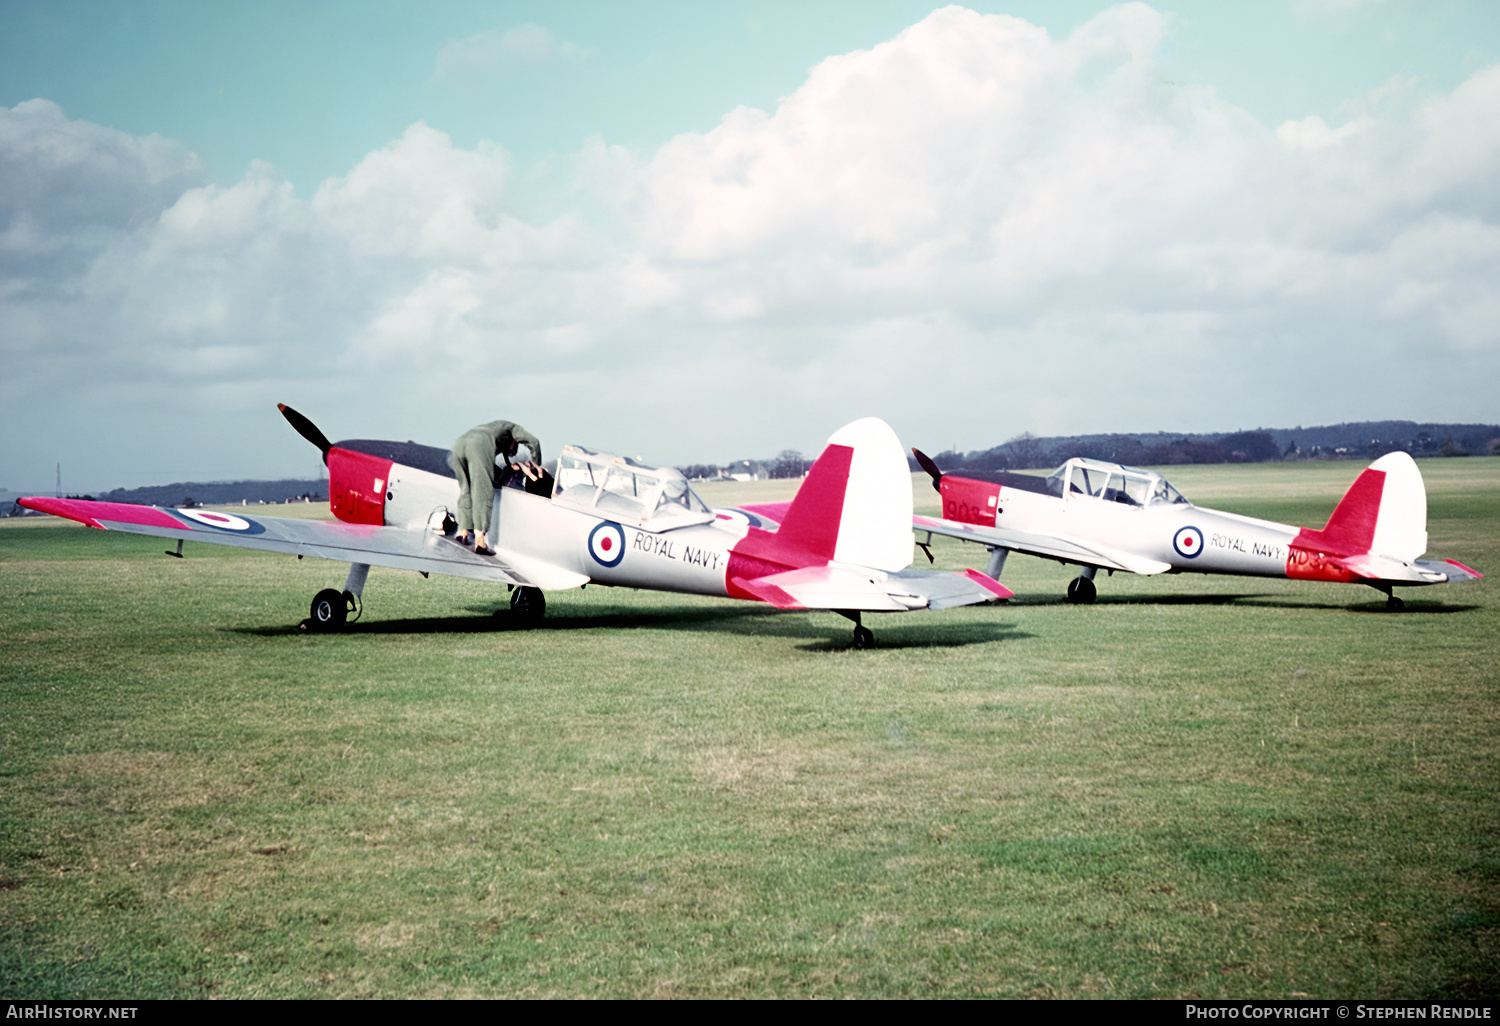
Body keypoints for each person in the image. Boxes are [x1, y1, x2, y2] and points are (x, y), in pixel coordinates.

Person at [450, 420, 542, 555]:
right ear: (514, 441)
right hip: (479, 443)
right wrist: (537, 465)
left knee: (466, 488)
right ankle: (480, 541)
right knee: (482, 490)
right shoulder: (513, 429)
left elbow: (489, 465)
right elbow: (534, 442)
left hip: (459, 444)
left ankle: (463, 531)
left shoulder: (495, 430)